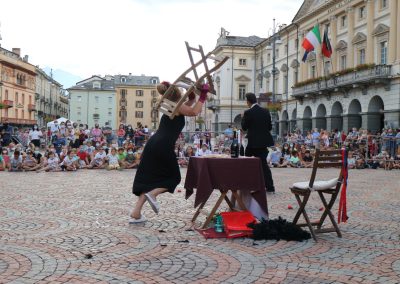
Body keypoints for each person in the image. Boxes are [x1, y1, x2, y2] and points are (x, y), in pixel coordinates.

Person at [130, 81, 208, 223]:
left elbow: (189, 104)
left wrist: (191, 95)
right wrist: (202, 96)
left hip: (153, 143)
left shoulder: (170, 105)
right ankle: (153, 194)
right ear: (177, 93)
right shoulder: (177, 107)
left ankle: (136, 212)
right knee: (173, 178)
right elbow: (194, 111)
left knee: (149, 178)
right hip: (163, 144)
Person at [241, 92, 275, 192]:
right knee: (264, 165)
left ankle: (245, 185)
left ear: (248, 101)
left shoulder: (248, 112)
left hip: (252, 143)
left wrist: (243, 117)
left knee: (246, 163)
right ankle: (270, 187)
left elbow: (244, 127)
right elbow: (269, 127)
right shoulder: (266, 111)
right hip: (263, 143)